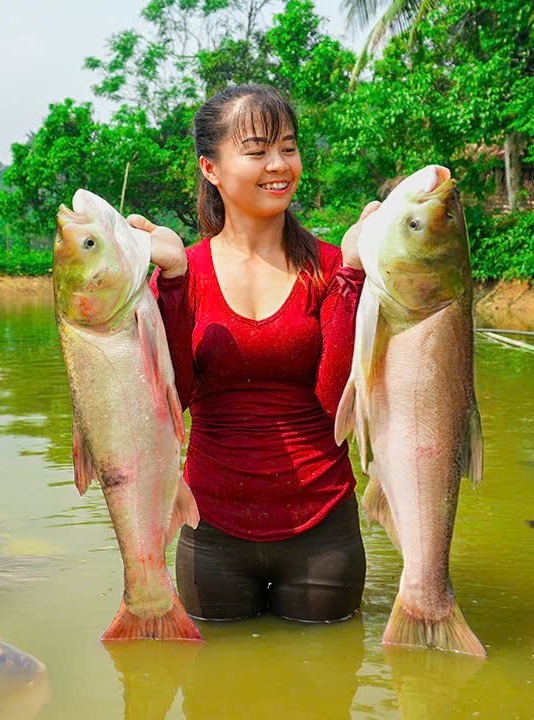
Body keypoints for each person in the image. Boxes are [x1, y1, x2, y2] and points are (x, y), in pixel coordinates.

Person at [127, 84, 379, 623]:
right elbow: (175, 402)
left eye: (288, 147)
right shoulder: (183, 271)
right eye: (258, 149)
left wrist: (354, 276)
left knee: (324, 690)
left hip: (323, 528)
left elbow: (340, 401)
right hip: (211, 531)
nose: (279, 165)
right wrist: (170, 283)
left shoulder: (334, 267)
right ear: (211, 168)